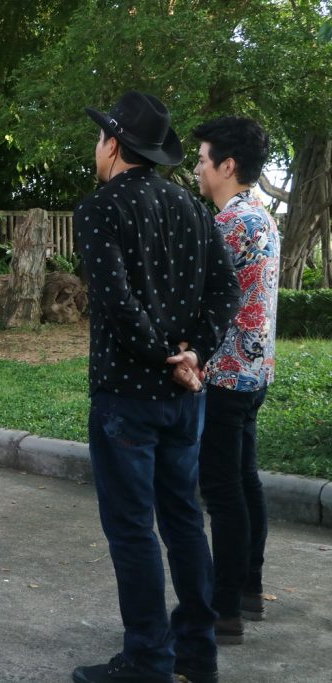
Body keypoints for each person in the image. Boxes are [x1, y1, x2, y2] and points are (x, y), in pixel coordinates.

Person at [70, 92, 240, 683]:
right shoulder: (191, 206)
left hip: (127, 396)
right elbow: (227, 289)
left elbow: (116, 304)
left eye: (100, 139)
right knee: (185, 521)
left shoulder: (100, 208)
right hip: (183, 399)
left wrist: (168, 358)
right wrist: (194, 354)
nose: (97, 149)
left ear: (114, 145)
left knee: (132, 529)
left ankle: (148, 659)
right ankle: (197, 653)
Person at [192, 116, 280, 644]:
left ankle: (223, 610)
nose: (197, 169)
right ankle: (248, 589)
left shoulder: (229, 225)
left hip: (226, 375)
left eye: (203, 160)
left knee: (223, 492)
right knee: (245, 482)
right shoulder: (261, 215)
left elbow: (201, 298)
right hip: (255, 372)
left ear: (227, 166)